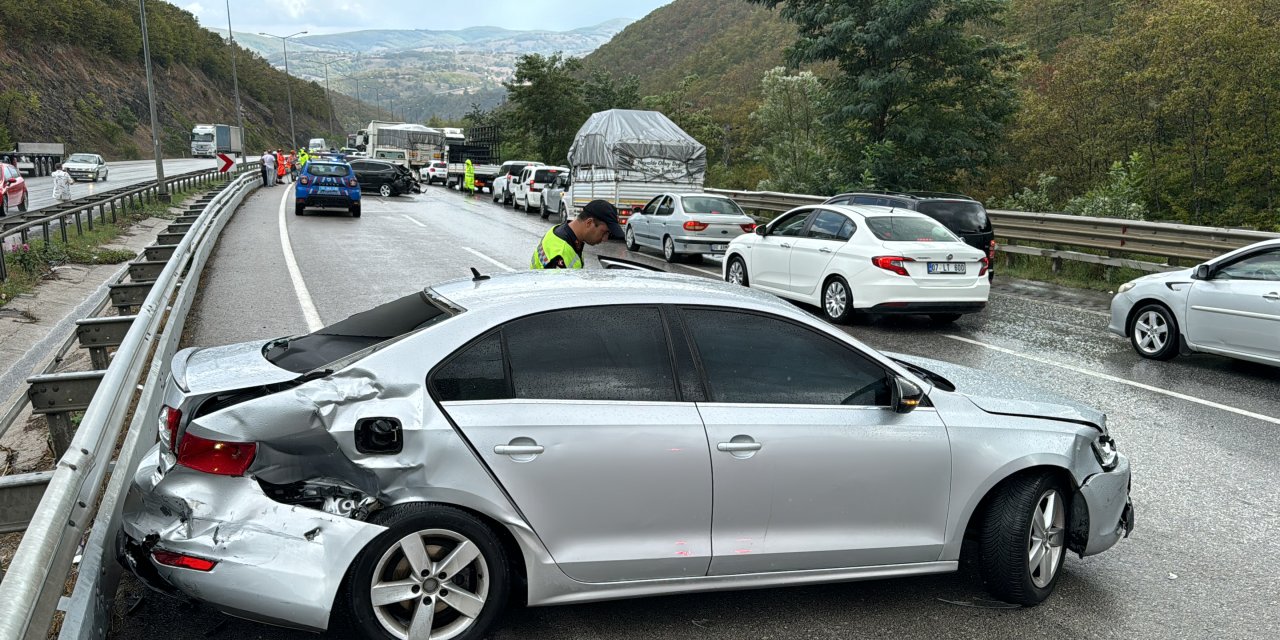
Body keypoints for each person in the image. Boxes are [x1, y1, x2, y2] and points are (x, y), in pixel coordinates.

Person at [530, 199, 621, 269]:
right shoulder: (561, 253)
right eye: (605, 232)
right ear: (589, 223)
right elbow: (557, 292)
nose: (605, 239)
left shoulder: (561, 230)